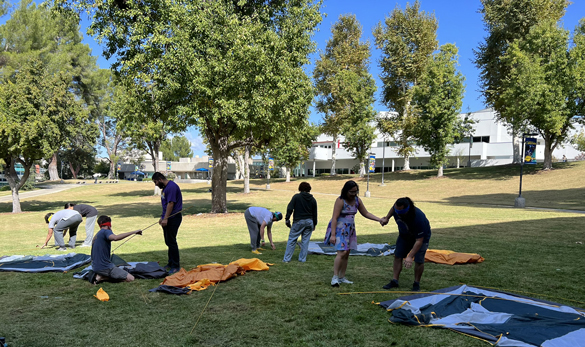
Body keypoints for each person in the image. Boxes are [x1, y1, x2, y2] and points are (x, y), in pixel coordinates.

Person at [325, 180, 382, 287]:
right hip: (340, 230)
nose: (353, 194)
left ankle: (342, 277)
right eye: (351, 192)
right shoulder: (340, 200)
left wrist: (379, 219)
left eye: (355, 191)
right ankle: (335, 277)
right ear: (346, 191)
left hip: (350, 230)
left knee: (347, 254)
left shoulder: (357, 200)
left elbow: (366, 213)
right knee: (341, 253)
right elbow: (334, 218)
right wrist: (333, 235)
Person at [380, 197, 431, 292]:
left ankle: (416, 283)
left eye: (401, 212)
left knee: (419, 260)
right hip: (404, 235)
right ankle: (395, 281)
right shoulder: (396, 208)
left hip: (421, 237)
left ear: (408, 209)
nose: (398, 214)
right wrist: (387, 218)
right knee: (397, 255)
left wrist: (410, 256)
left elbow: (419, 241)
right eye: (397, 211)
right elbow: (392, 209)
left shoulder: (418, 218)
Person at [91, 215, 142, 284]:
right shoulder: (106, 232)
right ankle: (102, 277)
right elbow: (115, 238)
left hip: (95, 266)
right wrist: (134, 232)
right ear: (109, 225)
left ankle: (101, 275)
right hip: (104, 267)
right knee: (131, 278)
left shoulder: (98, 234)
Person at [152, 172, 183, 274]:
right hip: (167, 217)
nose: (155, 184)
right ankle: (170, 263)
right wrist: (162, 217)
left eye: (155, 182)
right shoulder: (165, 189)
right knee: (168, 241)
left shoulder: (171, 187)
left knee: (172, 241)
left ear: (160, 179)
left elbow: (171, 204)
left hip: (173, 218)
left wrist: (166, 219)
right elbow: (165, 205)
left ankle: (175, 265)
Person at [283, 182, 318, 263]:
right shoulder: (313, 200)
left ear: (300, 189)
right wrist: (314, 224)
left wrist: (287, 218)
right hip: (309, 222)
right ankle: (302, 259)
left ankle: (287, 259)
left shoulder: (296, 197)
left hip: (298, 221)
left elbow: (290, 208)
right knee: (305, 241)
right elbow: (315, 213)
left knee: (292, 239)